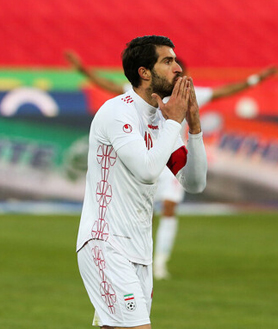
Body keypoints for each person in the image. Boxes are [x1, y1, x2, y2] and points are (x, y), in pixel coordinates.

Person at [66, 50, 278, 280]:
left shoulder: (190, 94)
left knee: (169, 209)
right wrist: (82, 70)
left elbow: (223, 91)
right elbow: (108, 84)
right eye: (170, 66)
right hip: (142, 159)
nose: (177, 74)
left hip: (172, 160)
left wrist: (257, 79)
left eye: (178, 69)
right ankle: (126, 260)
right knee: (140, 212)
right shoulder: (134, 99)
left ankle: (160, 262)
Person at [76, 35, 207, 329]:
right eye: (168, 61)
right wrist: (174, 122)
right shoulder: (117, 111)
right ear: (144, 72)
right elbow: (147, 171)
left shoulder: (161, 120)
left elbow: (195, 182)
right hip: (106, 242)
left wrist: (194, 127)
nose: (178, 69)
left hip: (139, 250)